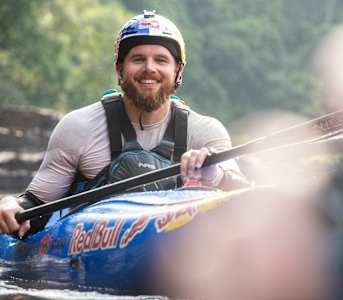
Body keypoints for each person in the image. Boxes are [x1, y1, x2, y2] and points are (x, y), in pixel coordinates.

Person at [0, 10, 248, 238]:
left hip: (177, 258)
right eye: (138, 59)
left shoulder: (205, 133)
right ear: (120, 69)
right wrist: (11, 205)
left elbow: (247, 199)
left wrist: (214, 174)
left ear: (178, 71)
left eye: (161, 60)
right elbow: (35, 206)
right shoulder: (78, 127)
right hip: (85, 266)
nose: (149, 69)